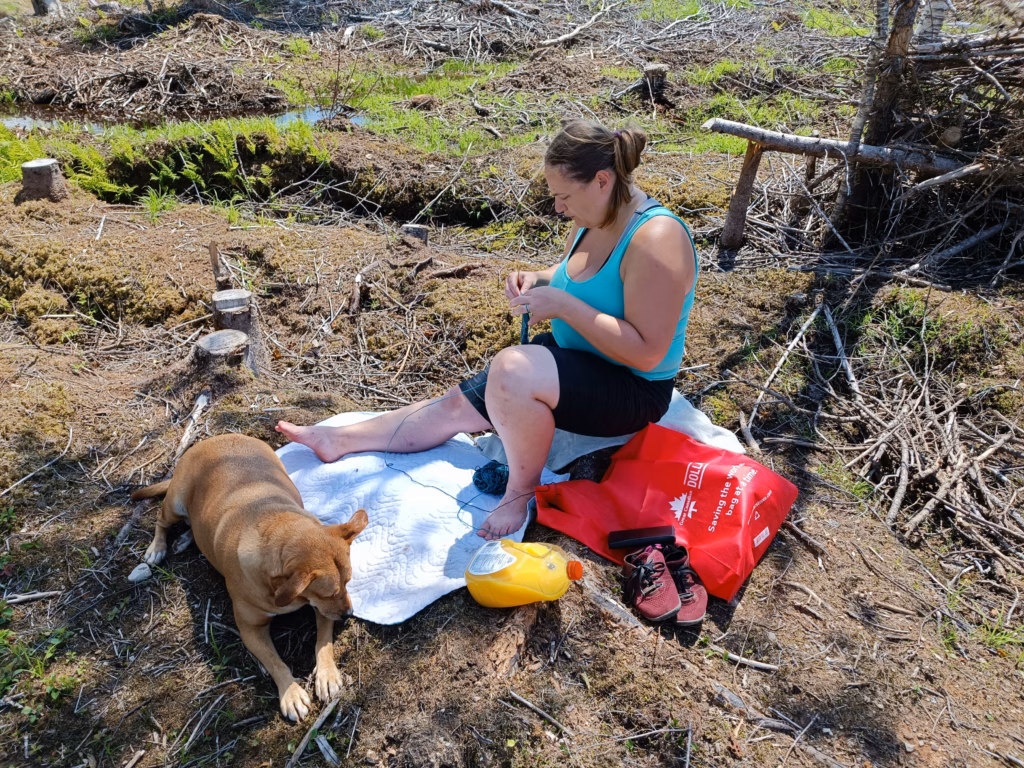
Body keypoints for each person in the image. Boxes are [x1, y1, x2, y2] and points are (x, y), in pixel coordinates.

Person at [276, 119, 697, 540]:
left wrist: (566, 307)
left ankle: (519, 494)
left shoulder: (656, 238)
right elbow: (576, 275)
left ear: (602, 181)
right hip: (583, 361)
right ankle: (340, 440)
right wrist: (540, 278)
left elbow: (648, 353)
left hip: (631, 388)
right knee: (456, 407)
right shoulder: (595, 215)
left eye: (563, 196)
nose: (558, 208)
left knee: (513, 371)